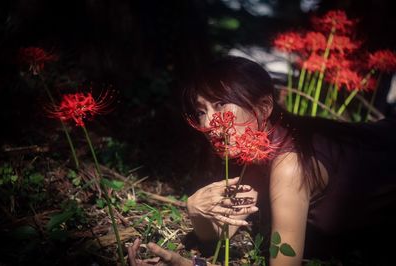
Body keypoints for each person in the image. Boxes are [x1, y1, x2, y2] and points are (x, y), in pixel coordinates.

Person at [128, 55, 396, 266]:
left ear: (264, 108)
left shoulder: (290, 165)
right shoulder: (252, 151)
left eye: (221, 104)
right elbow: (221, 232)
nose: (210, 124)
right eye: (201, 111)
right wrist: (196, 210)